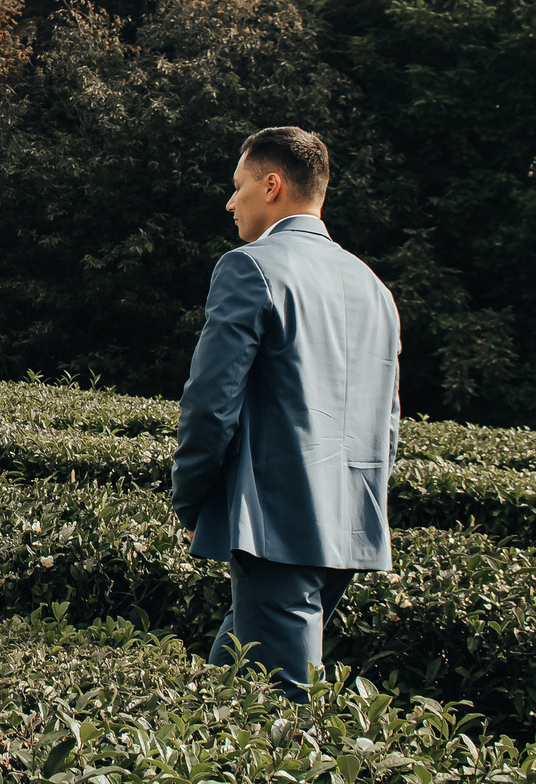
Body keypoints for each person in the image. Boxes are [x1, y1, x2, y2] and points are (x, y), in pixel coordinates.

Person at [168, 127, 401, 700]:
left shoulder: (250, 266)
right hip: (349, 524)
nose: (230, 202)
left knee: (283, 722)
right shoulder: (375, 289)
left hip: (279, 522)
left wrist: (192, 495)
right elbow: (387, 421)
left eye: (238, 185)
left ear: (272, 186)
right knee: (227, 687)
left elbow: (211, 400)